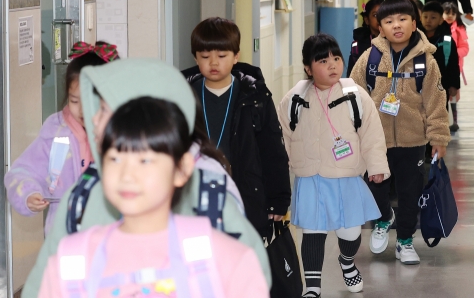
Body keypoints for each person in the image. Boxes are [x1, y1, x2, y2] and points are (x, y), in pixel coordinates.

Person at [21, 59, 272, 298]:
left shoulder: (208, 194)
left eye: (105, 110)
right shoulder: (83, 193)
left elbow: (250, 274)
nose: (94, 119)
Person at [278, 33, 390, 297]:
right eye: (323, 61)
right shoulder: (293, 99)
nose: (332, 65)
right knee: (313, 231)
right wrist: (278, 175)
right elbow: (281, 138)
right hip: (310, 176)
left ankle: (347, 262)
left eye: (336, 59)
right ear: (308, 68)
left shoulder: (355, 95)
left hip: (346, 176)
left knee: (349, 233)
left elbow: (372, 135)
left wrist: (376, 167)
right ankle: (313, 287)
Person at [350, 0, 450, 265]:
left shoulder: (426, 62)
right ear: (380, 27)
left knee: (409, 192)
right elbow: (353, 94)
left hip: (412, 140)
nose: (396, 25)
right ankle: (384, 218)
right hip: (376, 139)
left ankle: (405, 241)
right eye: (389, 21)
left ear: (414, 23)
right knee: (376, 187)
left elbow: (436, 102)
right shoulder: (369, 59)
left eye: (403, 19)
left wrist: (439, 137)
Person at [183, 17, 291, 238]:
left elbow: (272, 149)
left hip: (243, 192)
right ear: (195, 57)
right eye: (205, 57)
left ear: (236, 57)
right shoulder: (183, 94)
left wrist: (277, 200)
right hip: (194, 192)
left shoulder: (255, 95)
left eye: (221, 56)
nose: (213, 63)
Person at [4, 41, 118, 235]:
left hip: (113, 237)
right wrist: (30, 194)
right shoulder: (56, 132)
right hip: (64, 238)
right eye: (74, 101)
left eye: (92, 101)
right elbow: (23, 170)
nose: (82, 110)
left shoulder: (124, 132)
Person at [419, 1, 460, 109]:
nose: (428, 20)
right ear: (420, 18)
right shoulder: (415, 38)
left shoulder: (447, 40)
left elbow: (453, 63)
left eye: (433, 18)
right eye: (425, 17)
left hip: (442, 83)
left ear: (441, 20)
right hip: (418, 84)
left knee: (440, 112)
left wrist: (454, 84)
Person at [443, 1, 470, 132]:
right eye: (447, 13)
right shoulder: (437, 30)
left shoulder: (459, 29)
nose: (450, 16)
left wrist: (453, 54)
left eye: (453, 13)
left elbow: (465, 48)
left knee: (453, 94)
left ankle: (454, 121)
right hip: (440, 68)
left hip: (454, 67)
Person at [347, 0, 384, 77]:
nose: (380, 18)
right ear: (367, 20)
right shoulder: (358, 45)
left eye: (383, 14)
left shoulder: (395, 42)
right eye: (375, 15)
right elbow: (351, 76)